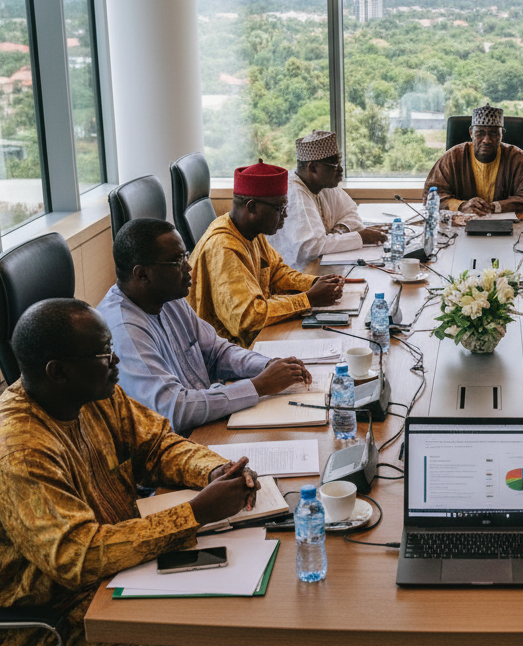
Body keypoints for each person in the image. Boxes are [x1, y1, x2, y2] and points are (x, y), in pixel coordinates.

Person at [0, 298, 284, 646]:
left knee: (223, 614)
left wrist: (214, 471)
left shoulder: (89, 395)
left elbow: (158, 443)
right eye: (104, 355)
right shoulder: (19, 451)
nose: (116, 362)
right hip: (31, 615)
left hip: (103, 575)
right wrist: (193, 515)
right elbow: (76, 556)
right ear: (58, 370)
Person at [99, 218, 313, 435]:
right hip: (175, 445)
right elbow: (174, 409)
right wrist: (259, 386)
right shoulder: (124, 330)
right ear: (142, 274)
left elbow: (217, 352)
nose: (188, 266)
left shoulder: (167, 297)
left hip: (205, 423)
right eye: (177, 261)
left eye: (185, 255)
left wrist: (267, 366)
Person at [187, 158, 345, 347]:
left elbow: (276, 271)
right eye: (280, 208)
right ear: (252, 207)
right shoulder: (223, 247)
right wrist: (308, 299)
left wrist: (314, 283)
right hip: (223, 350)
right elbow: (247, 318)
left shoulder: (251, 231)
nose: (285, 215)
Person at [270, 130, 388, 272]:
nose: (340, 170)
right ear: (312, 168)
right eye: (334, 165)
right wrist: (360, 237)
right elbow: (311, 247)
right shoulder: (295, 193)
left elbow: (351, 212)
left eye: (339, 162)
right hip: (295, 275)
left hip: (320, 266)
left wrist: (339, 232)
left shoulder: (322, 184)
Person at [423, 103, 523, 216]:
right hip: (461, 227)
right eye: (480, 133)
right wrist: (462, 206)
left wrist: (496, 207)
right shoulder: (453, 157)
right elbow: (431, 195)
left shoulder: (517, 158)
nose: (486, 140)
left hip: (509, 228)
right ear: (471, 133)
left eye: (493, 134)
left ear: (502, 134)